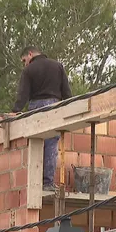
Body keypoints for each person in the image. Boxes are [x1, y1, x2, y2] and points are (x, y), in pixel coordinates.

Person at [11, 45, 72, 191]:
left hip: (36, 107)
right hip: (54, 107)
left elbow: (23, 95)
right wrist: (69, 109)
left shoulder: (29, 70)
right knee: (51, 144)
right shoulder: (58, 66)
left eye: (24, 60)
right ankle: (48, 182)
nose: (24, 63)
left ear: (30, 54)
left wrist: (15, 111)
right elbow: (67, 93)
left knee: (35, 142)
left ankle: (34, 181)